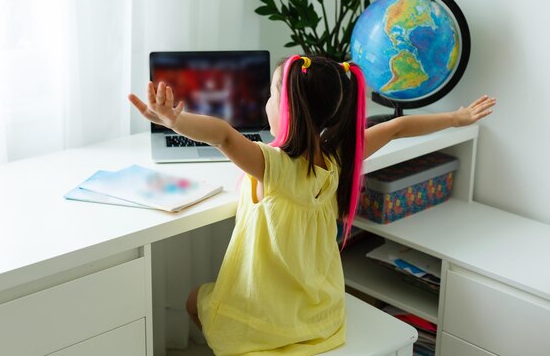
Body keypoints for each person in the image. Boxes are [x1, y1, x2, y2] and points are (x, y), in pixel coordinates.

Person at [128, 55, 495, 356]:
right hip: (320, 310)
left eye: (271, 95)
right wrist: (456, 118)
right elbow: (397, 128)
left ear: (287, 109)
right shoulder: (340, 158)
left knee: (194, 301)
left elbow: (223, 135)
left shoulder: (270, 165)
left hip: (263, 314)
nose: (265, 103)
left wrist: (175, 121)